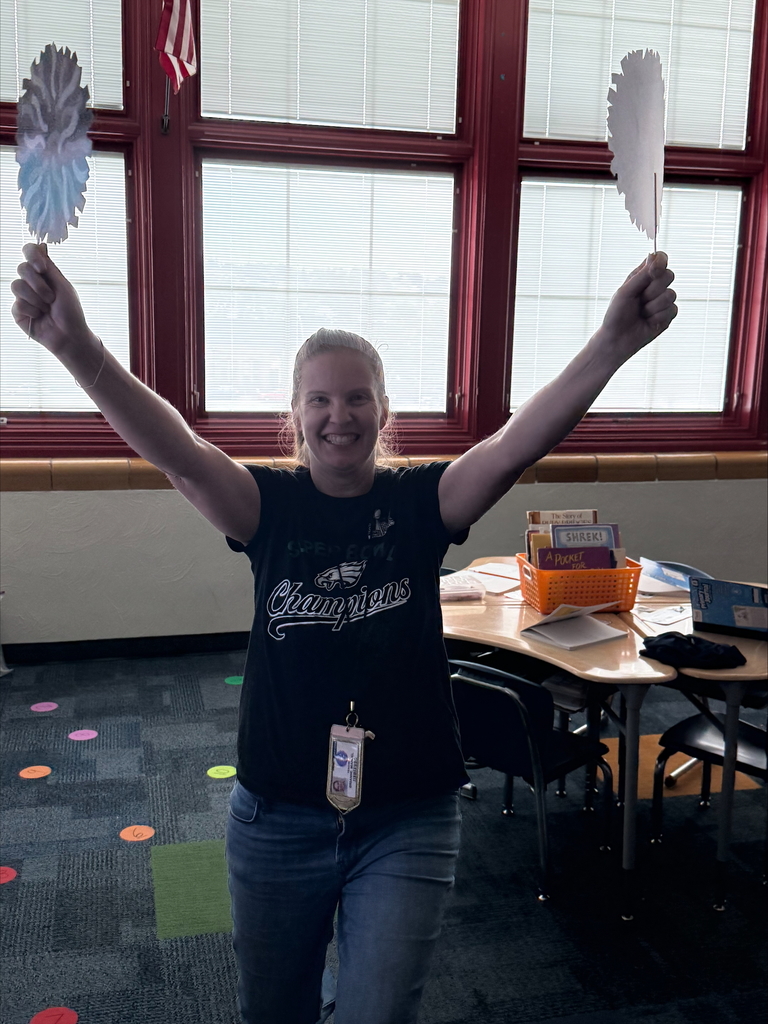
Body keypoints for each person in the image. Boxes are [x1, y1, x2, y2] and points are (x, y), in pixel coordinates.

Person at [11, 244, 677, 1023]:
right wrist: (77, 349)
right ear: (294, 416)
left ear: (383, 413)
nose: (340, 416)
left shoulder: (423, 502)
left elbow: (510, 449)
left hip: (409, 812)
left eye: (357, 398)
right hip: (278, 815)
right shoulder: (268, 508)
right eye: (320, 401)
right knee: (276, 1010)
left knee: (377, 1012)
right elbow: (181, 456)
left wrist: (612, 346)